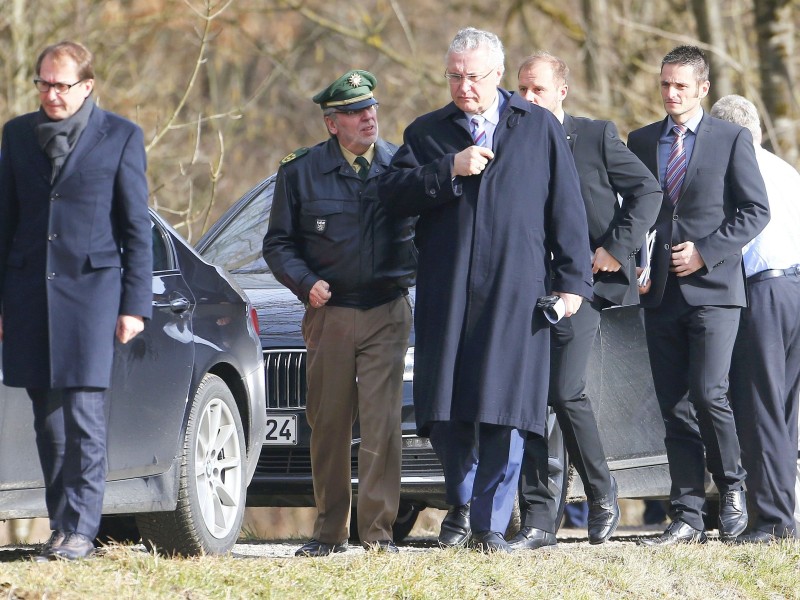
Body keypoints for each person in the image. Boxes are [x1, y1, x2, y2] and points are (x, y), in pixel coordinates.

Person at [378, 28, 593, 553]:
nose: (463, 86)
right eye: (454, 76)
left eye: (473, 76)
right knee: (447, 413)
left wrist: (572, 284)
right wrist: (448, 169)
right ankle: (464, 500)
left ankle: (491, 526)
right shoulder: (427, 132)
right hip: (446, 293)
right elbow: (392, 195)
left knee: (505, 409)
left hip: (516, 292)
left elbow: (566, 209)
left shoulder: (537, 127)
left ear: (498, 76)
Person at [0, 41, 152, 560]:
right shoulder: (17, 135)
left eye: (61, 84)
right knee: (47, 418)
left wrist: (135, 304)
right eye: (43, 83)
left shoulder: (122, 136)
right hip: (28, 295)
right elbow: (6, 223)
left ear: (87, 86)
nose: (50, 94)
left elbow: (136, 229)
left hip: (93, 296)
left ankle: (83, 530)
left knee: (84, 414)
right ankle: (61, 527)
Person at [511, 51, 662, 549]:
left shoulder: (594, 136)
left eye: (537, 89)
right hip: (529, 287)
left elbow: (647, 191)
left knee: (563, 389)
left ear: (562, 90)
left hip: (588, 285)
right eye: (521, 89)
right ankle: (537, 516)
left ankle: (601, 492)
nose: (527, 98)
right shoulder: (510, 139)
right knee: (529, 395)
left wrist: (615, 249)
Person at [263, 70, 415, 556]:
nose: (367, 118)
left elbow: (428, 232)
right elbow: (278, 244)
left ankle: (377, 533)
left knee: (382, 424)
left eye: (370, 108)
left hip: (387, 311)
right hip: (330, 314)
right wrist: (306, 284)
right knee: (328, 424)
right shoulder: (300, 171)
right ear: (333, 124)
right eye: (354, 112)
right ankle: (330, 531)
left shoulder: (400, 165)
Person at [627, 46, 770, 545]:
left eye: (680, 86)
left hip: (715, 291)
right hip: (660, 293)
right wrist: (635, 263)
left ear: (702, 88)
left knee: (710, 393)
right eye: (665, 84)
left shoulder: (731, 139)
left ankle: (732, 489)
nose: (670, 93)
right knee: (674, 406)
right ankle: (686, 513)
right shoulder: (642, 140)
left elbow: (755, 210)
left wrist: (706, 252)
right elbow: (637, 214)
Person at [710, 94, 800, 544]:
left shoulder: (732, 170)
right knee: (784, 411)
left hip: (764, 290)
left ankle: (773, 520)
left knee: (759, 407)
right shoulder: (787, 171)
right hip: (797, 289)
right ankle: (783, 513)